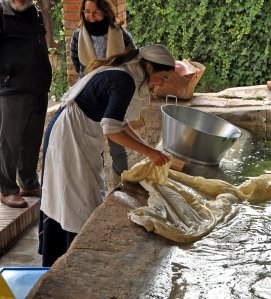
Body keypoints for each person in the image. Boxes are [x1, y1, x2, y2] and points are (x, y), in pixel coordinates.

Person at [38, 44, 175, 267]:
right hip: (71, 136)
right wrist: (149, 151)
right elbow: (111, 130)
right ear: (149, 67)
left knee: (71, 196)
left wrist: (149, 152)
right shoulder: (124, 80)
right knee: (76, 200)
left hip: (74, 132)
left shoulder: (125, 73)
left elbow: (118, 122)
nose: (163, 83)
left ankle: (64, 257)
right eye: (164, 77)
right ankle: (73, 262)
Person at [71, 0, 137, 175]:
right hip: (90, 97)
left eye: (96, 12)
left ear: (106, 12)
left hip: (113, 96)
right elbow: (78, 64)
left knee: (117, 142)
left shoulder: (121, 34)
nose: (91, 17)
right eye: (87, 12)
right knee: (93, 144)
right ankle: (96, 186)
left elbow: (133, 60)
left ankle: (123, 182)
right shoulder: (78, 35)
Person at [0, 0, 52, 208]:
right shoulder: (1, 14)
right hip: (12, 90)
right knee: (9, 143)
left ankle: (28, 184)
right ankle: (7, 190)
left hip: (38, 88)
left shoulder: (35, 12)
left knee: (32, 140)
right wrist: (6, 74)